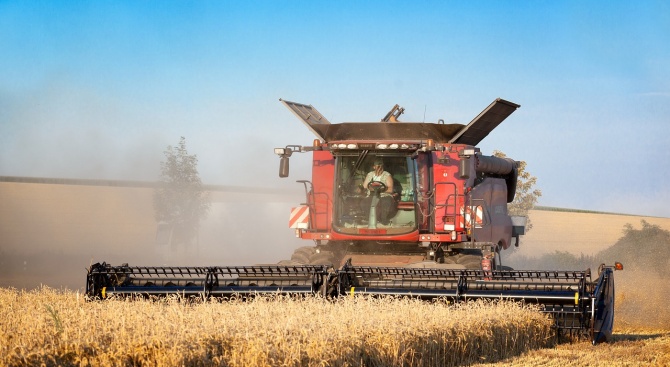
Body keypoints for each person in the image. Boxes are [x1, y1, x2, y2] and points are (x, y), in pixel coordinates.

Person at [360, 159, 396, 225]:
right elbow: (365, 186)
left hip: (384, 195)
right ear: (374, 167)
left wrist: (380, 190)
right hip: (371, 195)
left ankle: (383, 220)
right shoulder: (370, 175)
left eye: (381, 166)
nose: (380, 168)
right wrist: (360, 189)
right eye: (378, 166)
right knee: (364, 203)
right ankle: (369, 220)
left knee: (386, 202)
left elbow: (390, 189)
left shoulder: (387, 175)